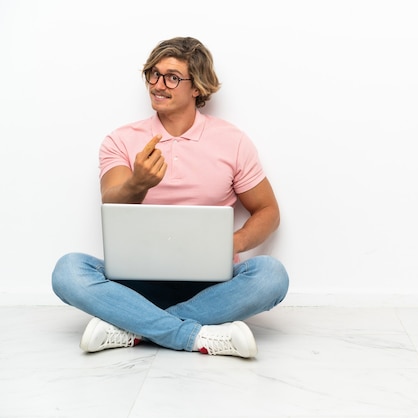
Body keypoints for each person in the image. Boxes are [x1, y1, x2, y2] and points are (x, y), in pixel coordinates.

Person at [51, 37, 289, 359]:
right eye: (153, 74)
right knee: (68, 271)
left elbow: (268, 211)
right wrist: (138, 183)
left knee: (272, 276)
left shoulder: (232, 141)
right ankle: (192, 334)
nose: (158, 85)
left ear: (197, 88)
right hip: (135, 282)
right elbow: (111, 201)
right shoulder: (121, 140)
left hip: (211, 284)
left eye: (172, 77)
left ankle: (130, 327)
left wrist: (233, 243)